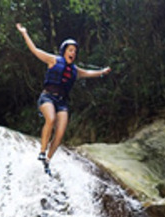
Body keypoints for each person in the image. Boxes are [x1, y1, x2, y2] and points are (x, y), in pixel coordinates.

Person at [16, 23, 111, 176]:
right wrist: (24, 33)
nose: (73, 53)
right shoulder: (53, 60)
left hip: (62, 102)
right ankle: (42, 151)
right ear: (64, 51)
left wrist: (102, 72)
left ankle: (47, 160)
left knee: (60, 134)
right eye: (70, 50)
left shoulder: (75, 70)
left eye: (74, 51)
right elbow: (34, 50)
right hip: (47, 97)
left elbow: (88, 72)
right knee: (51, 119)